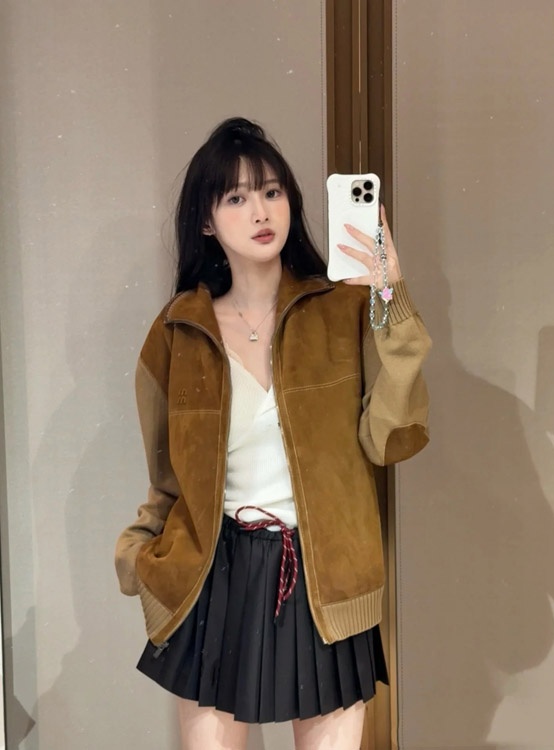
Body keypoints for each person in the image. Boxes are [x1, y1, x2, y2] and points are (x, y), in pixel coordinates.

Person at [115, 117, 431, 750]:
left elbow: (391, 439)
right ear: (207, 221)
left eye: (271, 191)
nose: (260, 211)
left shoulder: (343, 310)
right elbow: (168, 479)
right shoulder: (178, 331)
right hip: (214, 576)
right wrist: (139, 557)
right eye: (235, 197)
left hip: (324, 580)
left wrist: (389, 297)